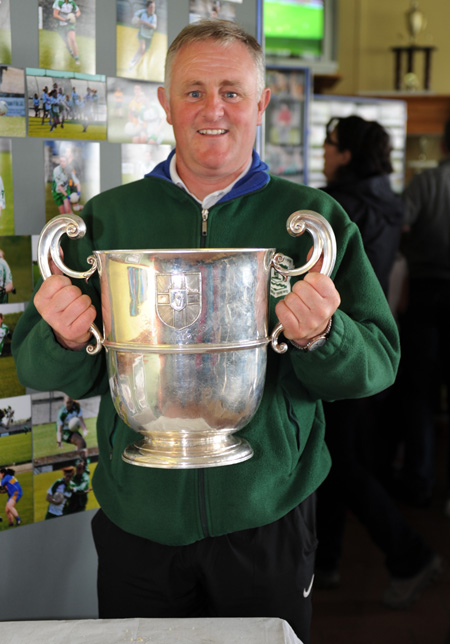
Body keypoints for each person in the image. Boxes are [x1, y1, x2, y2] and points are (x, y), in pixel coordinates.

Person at [12, 20, 400, 643]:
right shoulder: (108, 218)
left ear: (262, 102)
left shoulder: (315, 218)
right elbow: (43, 368)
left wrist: (324, 337)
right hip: (139, 519)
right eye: (192, 91)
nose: (212, 109)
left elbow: (378, 363)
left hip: (266, 515)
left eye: (232, 91)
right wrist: (61, 337)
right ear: (164, 104)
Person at [314, 115, 443, 608]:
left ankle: (409, 554)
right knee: (338, 456)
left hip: (335, 349)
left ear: (345, 154)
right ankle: (325, 561)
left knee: (338, 462)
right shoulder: (387, 202)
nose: (325, 152)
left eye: (329, 144)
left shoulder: (341, 209)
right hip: (371, 347)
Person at [399, 118, 450, 513]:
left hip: (426, 291)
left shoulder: (425, 183)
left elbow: (401, 225)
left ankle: (418, 483)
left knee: (419, 393)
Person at [128, 0, 157, 72]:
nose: (152, 9)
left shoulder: (154, 16)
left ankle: (132, 64)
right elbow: (135, 16)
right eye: (151, 7)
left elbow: (153, 27)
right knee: (142, 48)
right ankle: (132, 66)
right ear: (147, 7)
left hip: (149, 37)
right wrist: (136, 21)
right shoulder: (142, 12)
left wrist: (143, 22)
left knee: (141, 52)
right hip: (141, 34)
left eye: (153, 7)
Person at [52, 0, 81, 65]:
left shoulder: (72, 2)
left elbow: (78, 12)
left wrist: (76, 16)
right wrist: (65, 20)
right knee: (66, 42)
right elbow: (55, 15)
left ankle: (77, 59)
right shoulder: (58, 2)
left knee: (72, 39)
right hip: (61, 25)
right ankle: (69, 49)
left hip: (70, 24)